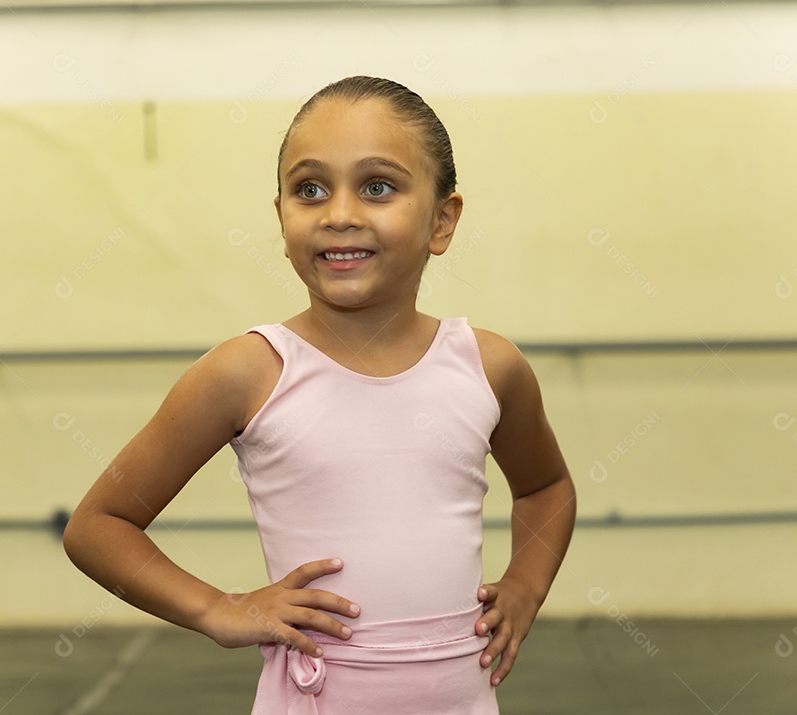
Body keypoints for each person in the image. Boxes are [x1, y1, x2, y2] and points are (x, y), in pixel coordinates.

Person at [63, 75, 576, 714]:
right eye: (309, 190)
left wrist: (526, 584)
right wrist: (217, 608)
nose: (339, 214)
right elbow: (99, 525)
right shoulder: (248, 373)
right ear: (282, 220)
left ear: (442, 220)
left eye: (377, 187)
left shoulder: (489, 367)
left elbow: (546, 486)